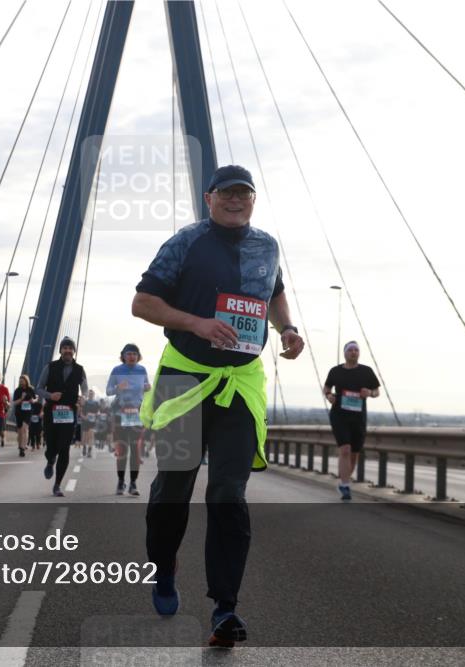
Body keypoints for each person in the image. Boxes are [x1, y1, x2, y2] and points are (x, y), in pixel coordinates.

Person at [133, 165, 305, 647]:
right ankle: (163, 569)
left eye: (244, 194)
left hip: (240, 382)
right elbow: (143, 303)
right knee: (173, 488)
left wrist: (287, 329)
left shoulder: (266, 247)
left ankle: (224, 609)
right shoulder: (185, 243)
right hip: (184, 378)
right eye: (227, 193)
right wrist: (197, 323)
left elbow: (275, 293)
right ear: (209, 198)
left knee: (229, 492)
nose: (236, 200)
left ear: (253, 200)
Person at [323, 341, 381, 500]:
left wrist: (369, 392)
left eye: (356, 350)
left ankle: (344, 482)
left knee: (354, 453)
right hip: (339, 415)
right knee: (345, 449)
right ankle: (346, 485)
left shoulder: (367, 371)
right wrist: (329, 396)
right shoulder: (335, 371)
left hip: (358, 417)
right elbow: (326, 388)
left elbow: (377, 392)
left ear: (359, 353)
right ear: (345, 353)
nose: (353, 352)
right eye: (350, 350)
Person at [35, 337, 88, 497]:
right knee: (51, 446)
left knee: (64, 449)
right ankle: (50, 460)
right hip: (51, 412)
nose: (67, 351)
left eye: (70, 348)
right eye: (64, 348)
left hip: (69, 414)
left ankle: (57, 485)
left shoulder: (80, 369)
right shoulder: (50, 367)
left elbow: (84, 389)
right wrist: (50, 395)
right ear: (60, 351)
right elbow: (38, 389)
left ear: (74, 351)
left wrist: (83, 397)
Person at [106, 343, 151, 496]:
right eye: (129, 354)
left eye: (134, 354)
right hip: (120, 413)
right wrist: (119, 388)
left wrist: (147, 387)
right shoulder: (117, 370)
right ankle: (120, 482)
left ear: (138, 356)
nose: (132, 356)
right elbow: (108, 391)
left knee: (135, 450)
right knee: (122, 449)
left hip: (136, 413)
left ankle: (133, 483)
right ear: (123, 356)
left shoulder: (142, 370)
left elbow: (146, 387)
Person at [12, 375, 37, 457]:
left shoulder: (30, 389)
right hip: (19, 412)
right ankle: (20, 446)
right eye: (20, 381)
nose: (21, 382)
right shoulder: (17, 391)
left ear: (26, 381)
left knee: (24, 428)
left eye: (23, 380)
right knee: (20, 431)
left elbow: (35, 399)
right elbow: (14, 403)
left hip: (28, 412)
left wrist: (32, 400)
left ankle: (23, 447)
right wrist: (22, 399)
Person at [81, 389, 99, 457]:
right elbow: (81, 413)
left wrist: (97, 415)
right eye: (90, 394)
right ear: (88, 395)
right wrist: (84, 417)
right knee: (85, 437)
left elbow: (98, 412)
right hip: (85, 421)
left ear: (93, 395)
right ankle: (84, 448)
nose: (91, 395)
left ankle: (89, 451)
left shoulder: (96, 403)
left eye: (92, 394)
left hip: (92, 422)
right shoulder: (85, 403)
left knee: (91, 436)